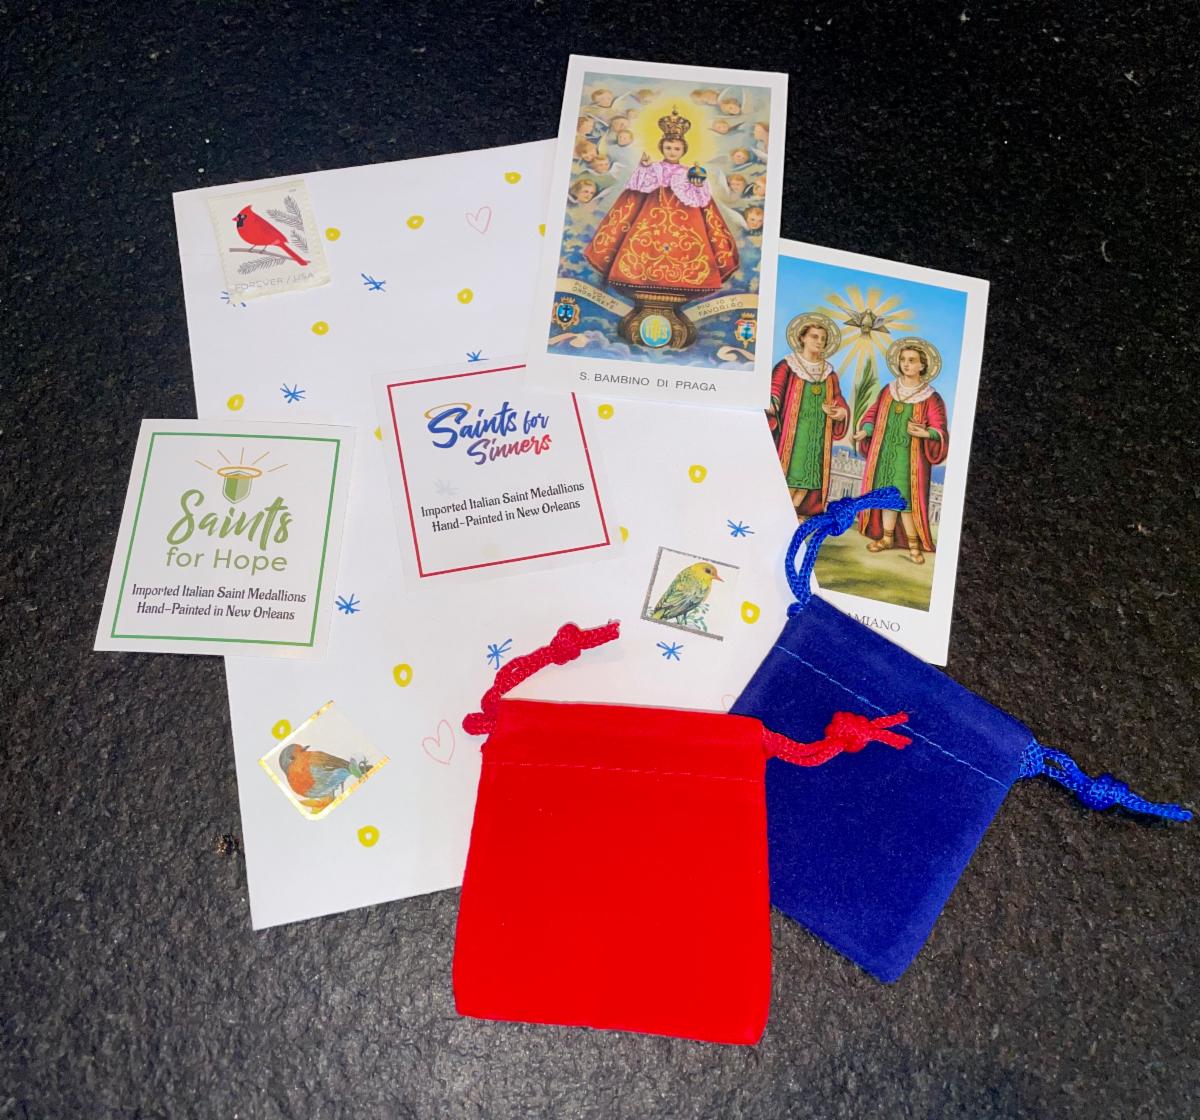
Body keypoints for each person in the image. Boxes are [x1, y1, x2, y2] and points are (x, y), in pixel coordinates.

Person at [584, 107, 739, 316]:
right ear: (662, 148)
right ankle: (643, 280)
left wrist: (696, 183)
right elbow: (639, 187)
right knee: (643, 247)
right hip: (651, 216)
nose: (672, 152)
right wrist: (645, 167)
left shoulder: (689, 171)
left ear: (683, 150)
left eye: (676, 148)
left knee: (688, 249)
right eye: (668, 147)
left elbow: (700, 198)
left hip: (685, 221)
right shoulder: (654, 168)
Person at [854, 338, 949, 564]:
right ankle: (887, 538)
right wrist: (865, 430)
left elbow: (939, 428)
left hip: (910, 460)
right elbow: (873, 414)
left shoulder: (930, 396)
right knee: (888, 498)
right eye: (903, 360)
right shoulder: (889, 390)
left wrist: (926, 433)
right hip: (884, 454)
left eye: (912, 360)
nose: (906, 364)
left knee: (906, 500)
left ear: (922, 365)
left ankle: (914, 546)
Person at [768, 313, 849, 519]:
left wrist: (839, 412)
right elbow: (775, 388)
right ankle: (782, 513)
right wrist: (772, 402)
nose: (819, 341)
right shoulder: (788, 365)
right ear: (802, 337)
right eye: (814, 336)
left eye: (823, 338)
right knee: (791, 475)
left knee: (810, 477)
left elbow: (838, 399)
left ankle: (794, 513)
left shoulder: (829, 373)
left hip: (818, 436)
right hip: (793, 436)